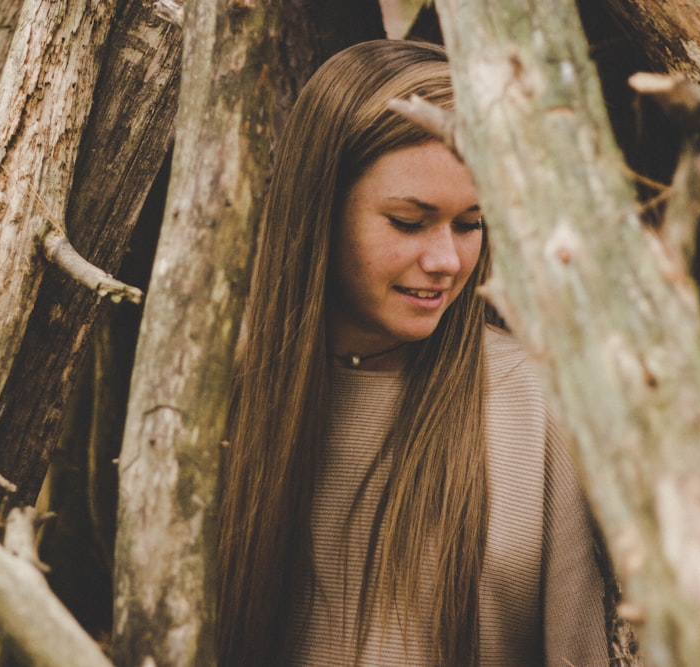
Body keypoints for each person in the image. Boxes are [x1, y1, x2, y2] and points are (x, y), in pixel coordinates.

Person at [216, 39, 610, 667]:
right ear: (320, 207)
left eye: (470, 222)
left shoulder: (536, 400)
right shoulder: (218, 391)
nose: (446, 262)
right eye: (407, 221)